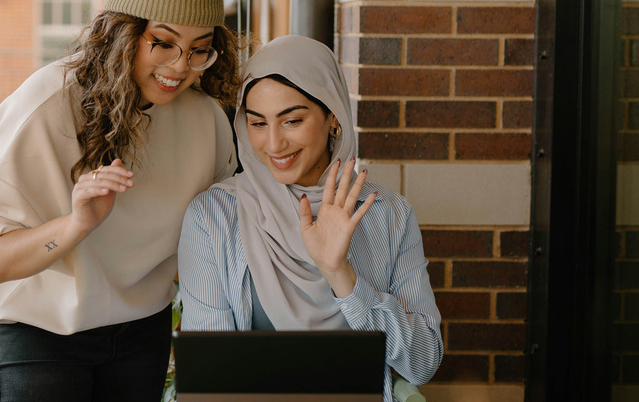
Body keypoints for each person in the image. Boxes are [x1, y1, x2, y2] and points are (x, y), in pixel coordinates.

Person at [0, 0, 242, 402]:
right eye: (164, 43)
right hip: (37, 332)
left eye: (200, 48)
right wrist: (76, 225)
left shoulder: (205, 119)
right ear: (124, 31)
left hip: (140, 332)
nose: (181, 67)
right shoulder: (46, 105)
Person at [177, 35, 443, 400]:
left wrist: (341, 274)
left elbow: (423, 363)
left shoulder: (388, 214)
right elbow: (209, 377)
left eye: (292, 120)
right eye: (257, 124)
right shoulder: (213, 217)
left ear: (332, 115)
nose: (273, 144)